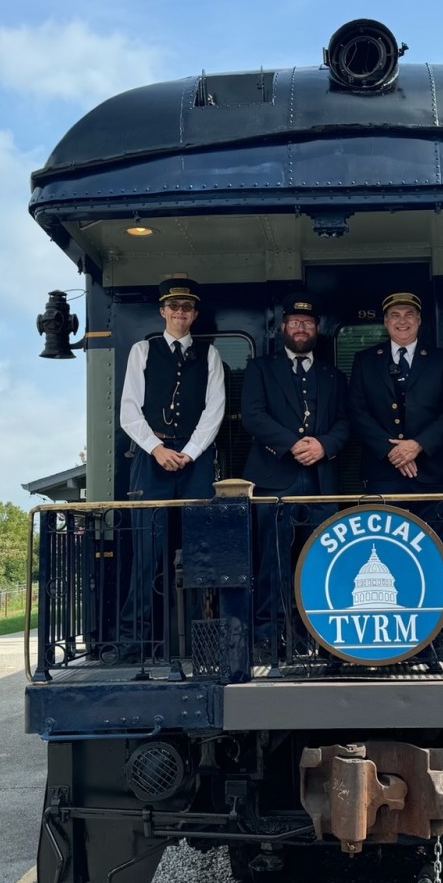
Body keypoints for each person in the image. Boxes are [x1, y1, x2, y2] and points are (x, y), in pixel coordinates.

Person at [118, 277, 226, 660]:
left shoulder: (209, 355)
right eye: (174, 307)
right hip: (152, 460)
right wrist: (157, 448)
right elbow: (128, 410)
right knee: (148, 552)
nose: (180, 313)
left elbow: (215, 410)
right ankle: (137, 641)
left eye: (187, 308)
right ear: (163, 311)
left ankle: (204, 640)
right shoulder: (142, 351)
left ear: (194, 314)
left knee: (200, 551)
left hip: (194, 463)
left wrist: (192, 452)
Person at [241, 292, 350, 649]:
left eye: (308, 323)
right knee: (273, 561)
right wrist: (293, 445)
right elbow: (253, 415)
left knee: (320, 561)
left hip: (321, 480)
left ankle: (314, 635)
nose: (301, 328)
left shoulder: (332, 374)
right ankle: (269, 635)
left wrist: (323, 445)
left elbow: (345, 422)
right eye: (295, 323)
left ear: (316, 329)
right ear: (283, 328)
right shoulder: (260, 368)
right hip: (275, 477)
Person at [349, 290, 443, 495]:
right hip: (382, 471)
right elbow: (357, 412)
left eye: (409, 314)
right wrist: (391, 450)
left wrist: (418, 445)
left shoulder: (441, 359)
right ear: (385, 321)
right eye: (395, 315)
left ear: (418, 320)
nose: (402, 321)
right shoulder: (365, 360)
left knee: (434, 529)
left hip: (433, 470)